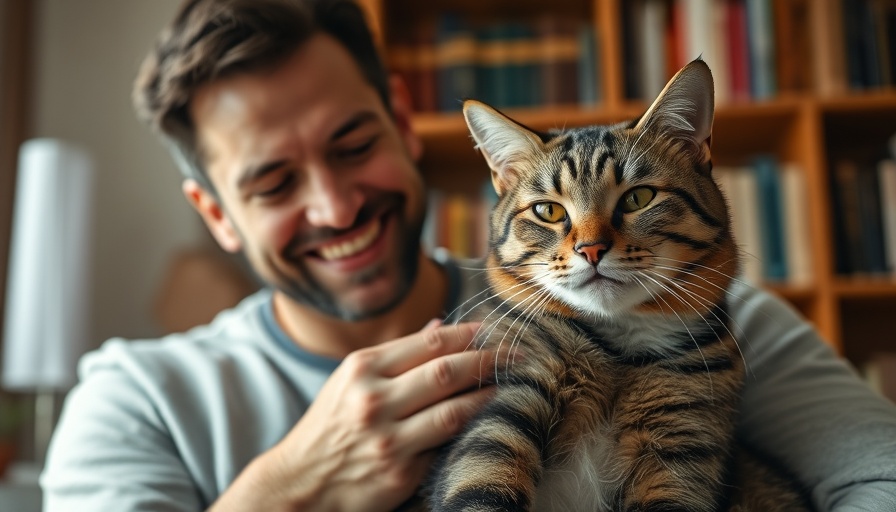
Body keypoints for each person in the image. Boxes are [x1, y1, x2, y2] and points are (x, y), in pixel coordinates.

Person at [41, 0, 896, 510]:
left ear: (404, 122)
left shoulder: (689, 304)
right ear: (215, 215)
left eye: (351, 143)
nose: (335, 205)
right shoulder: (130, 397)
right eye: (271, 182)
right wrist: (289, 488)